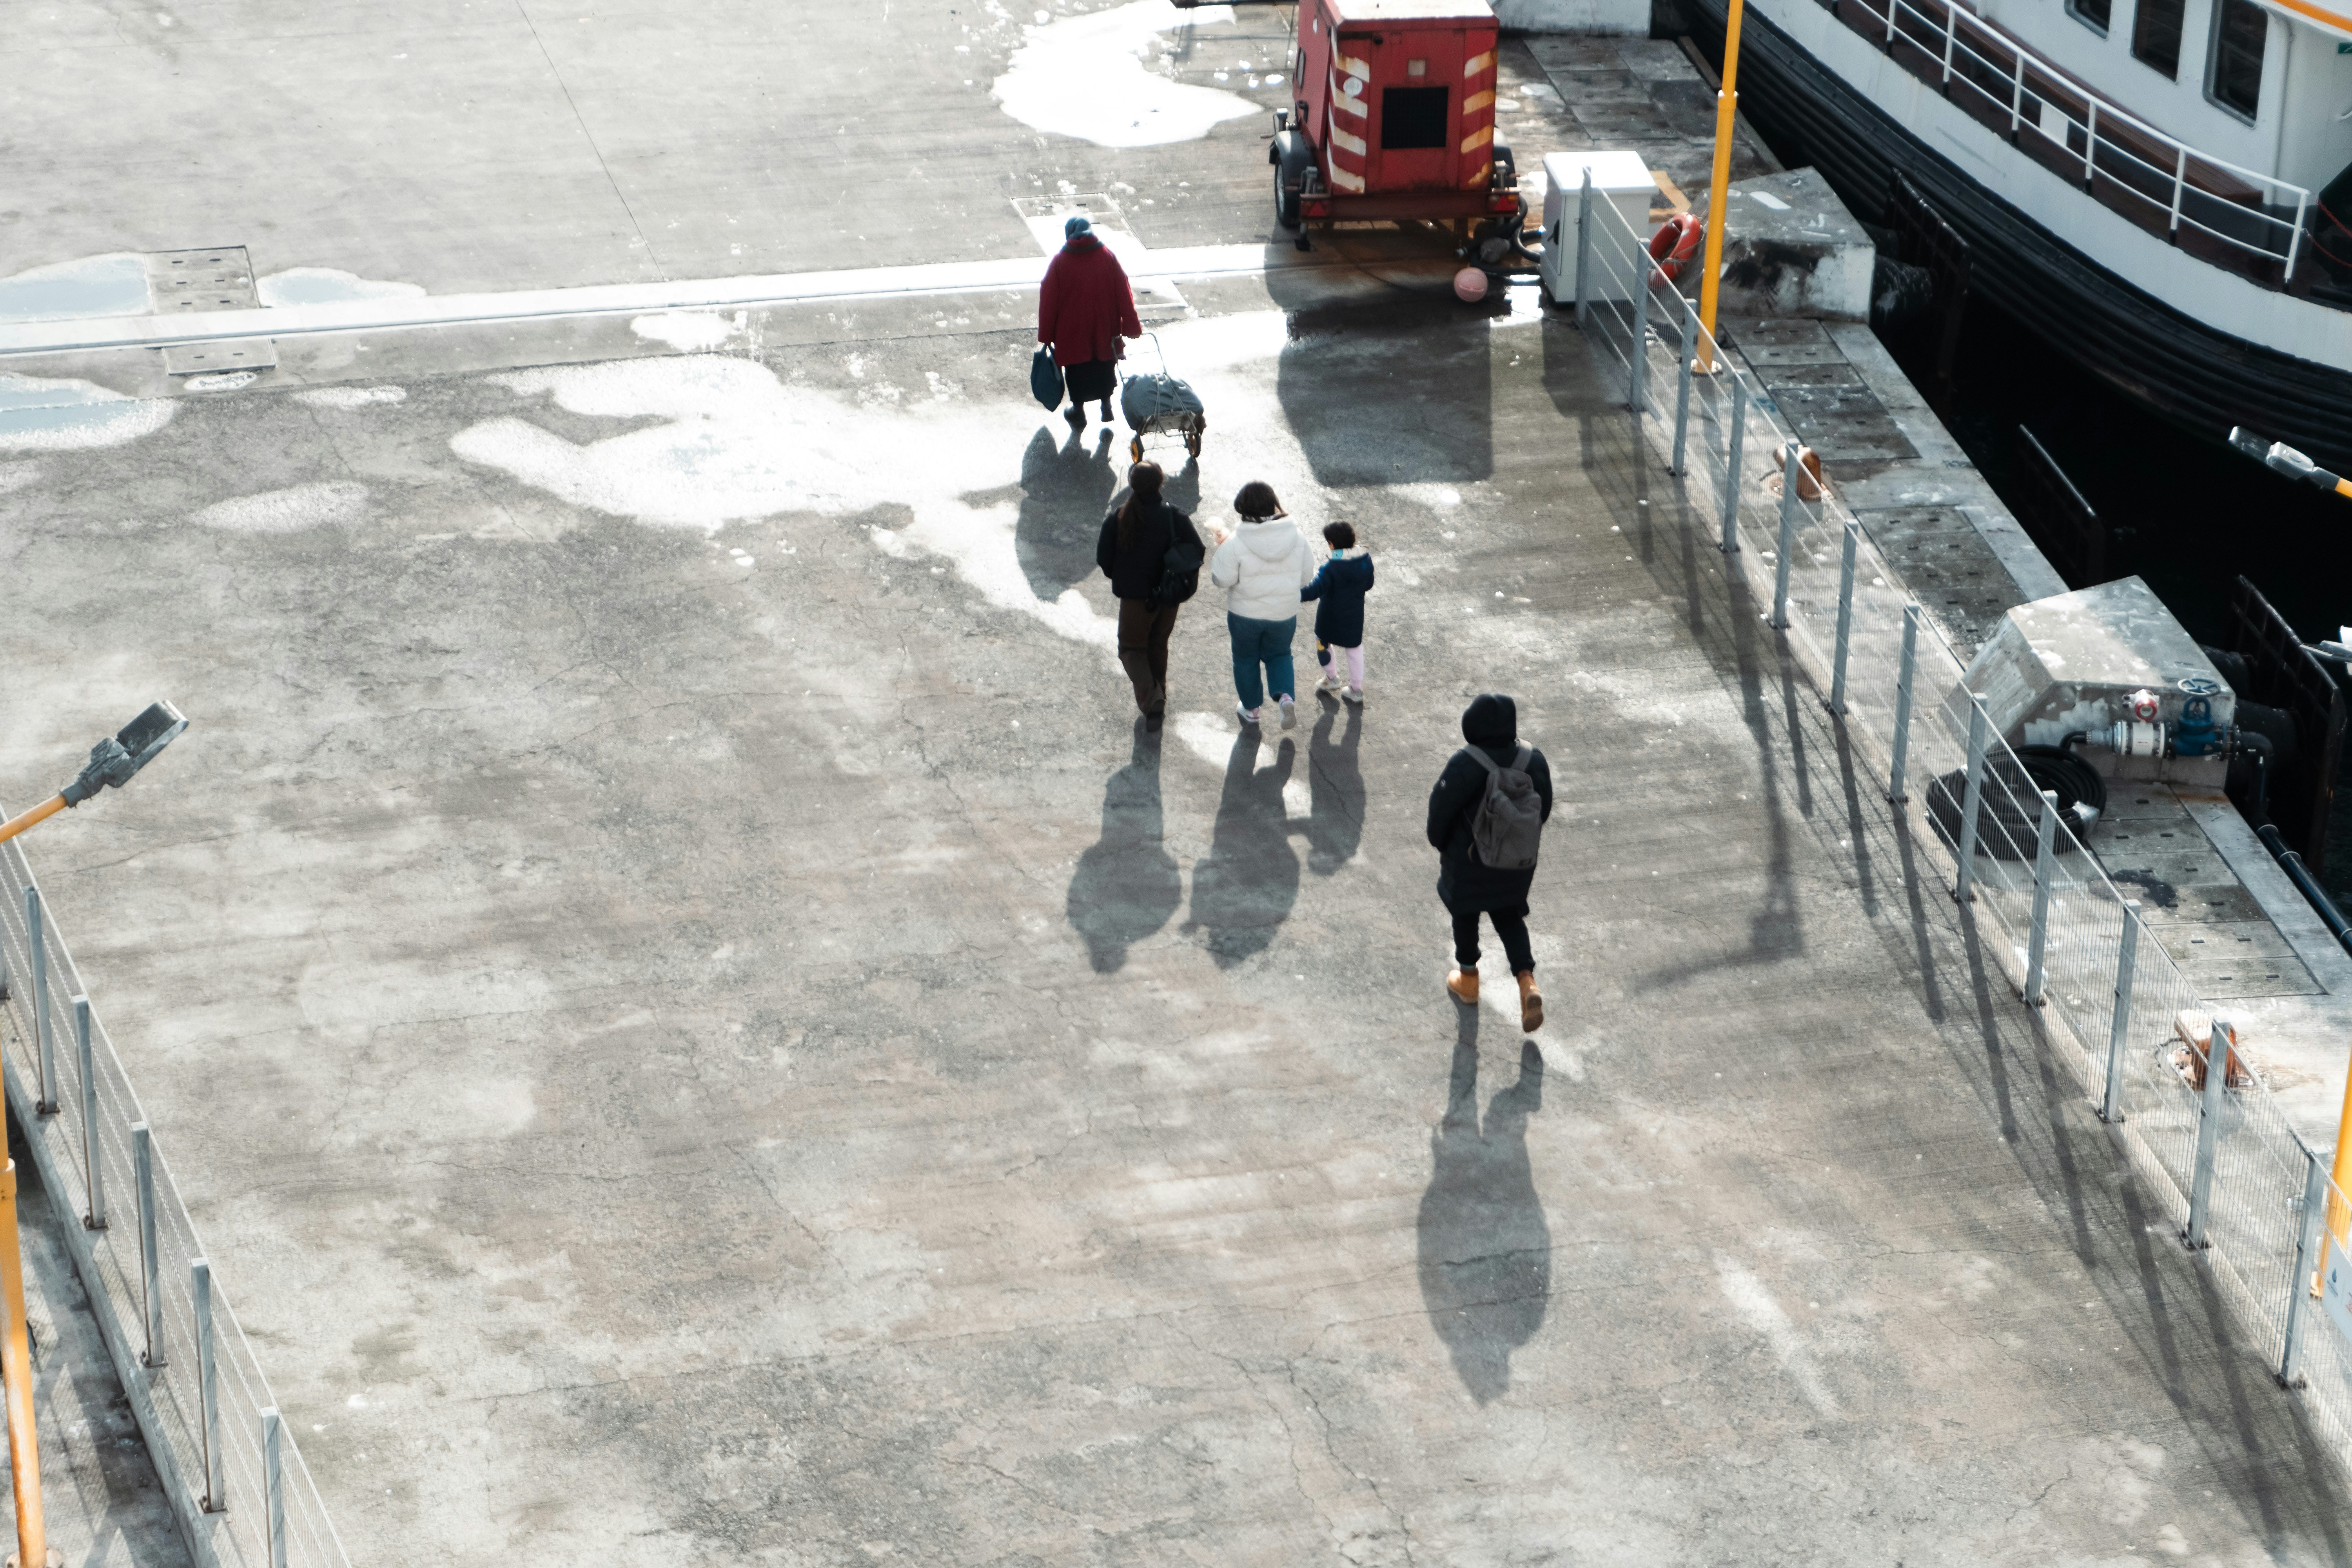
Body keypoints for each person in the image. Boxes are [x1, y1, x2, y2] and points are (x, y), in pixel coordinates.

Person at [1425, 694, 1553, 1033]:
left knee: (1465, 913)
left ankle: (1468, 980)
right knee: (1509, 916)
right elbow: (1546, 808)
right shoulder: (1533, 760)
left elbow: (1440, 811)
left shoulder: (1465, 764)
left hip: (1469, 860)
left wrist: (1441, 844)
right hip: (1517, 861)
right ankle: (1527, 983)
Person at [1094, 460, 1203, 728]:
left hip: (1135, 599)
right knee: (1157, 645)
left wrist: (1124, 578)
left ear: (1132, 485)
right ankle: (1159, 697)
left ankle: (1153, 697)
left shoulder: (1118, 517)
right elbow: (1196, 551)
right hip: (1168, 596)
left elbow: (1104, 559)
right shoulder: (1175, 517)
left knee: (1131, 648)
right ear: (1161, 482)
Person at [1207, 481, 1316, 731]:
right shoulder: (1297, 537)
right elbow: (1306, 577)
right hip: (1284, 614)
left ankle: (1252, 710)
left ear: (1243, 509)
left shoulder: (1236, 542)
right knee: (1280, 654)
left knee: (1245, 659)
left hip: (1245, 615)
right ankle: (1285, 697)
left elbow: (1221, 579)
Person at [1036, 214, 1142, 434]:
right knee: (1104, 367)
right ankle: (1106, 406)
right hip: (1105, 330)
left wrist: (1046, 335)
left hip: (1072, 335)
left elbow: (1048, 300)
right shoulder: (1108, 257)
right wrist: (1132, 326)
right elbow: (1124, 293)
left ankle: (1079, 412)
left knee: (1077, 374)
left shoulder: (1060, 262)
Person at [1300, 521, 1374, 704]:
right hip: (1354, 617)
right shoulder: (1365, 561)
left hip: (1329, 617)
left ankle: (1331, 679)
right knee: (1354, 649)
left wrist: (1293, 594)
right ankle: (1356, 690)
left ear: (1332, 544)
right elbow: (1369, 584)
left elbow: (1314, 591)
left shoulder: (1331, 568)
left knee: (1323, 643)